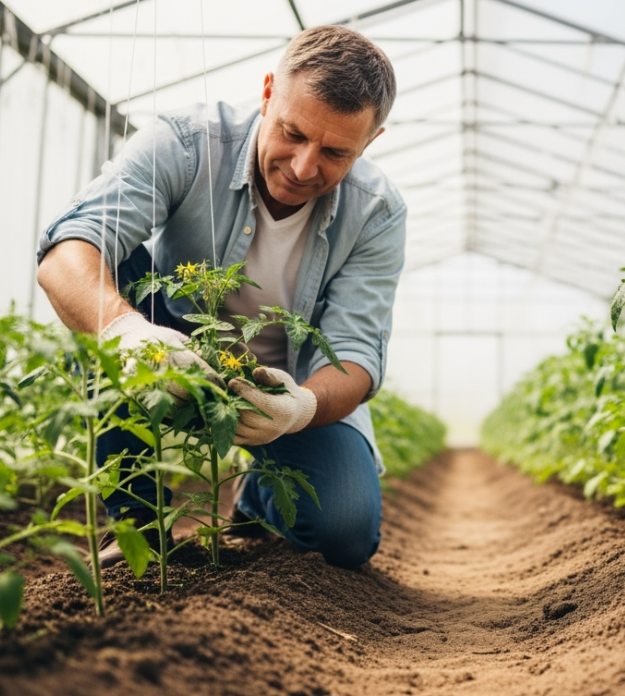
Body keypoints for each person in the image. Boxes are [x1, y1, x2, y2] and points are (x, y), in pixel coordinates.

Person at [35, 25, 403, 570]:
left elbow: (356, 355)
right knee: (106, 271)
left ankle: (256, 495)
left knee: (344, 534)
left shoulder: (376, 211)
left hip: (284, 389)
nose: (304, 167)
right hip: (169, 346)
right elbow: (66, 252)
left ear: (370, 141)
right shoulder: (186, 144)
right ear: (266, 93)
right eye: (293, 133)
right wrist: (126, 331)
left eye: (334, 152)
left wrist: (301, 408)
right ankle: (137, 525)